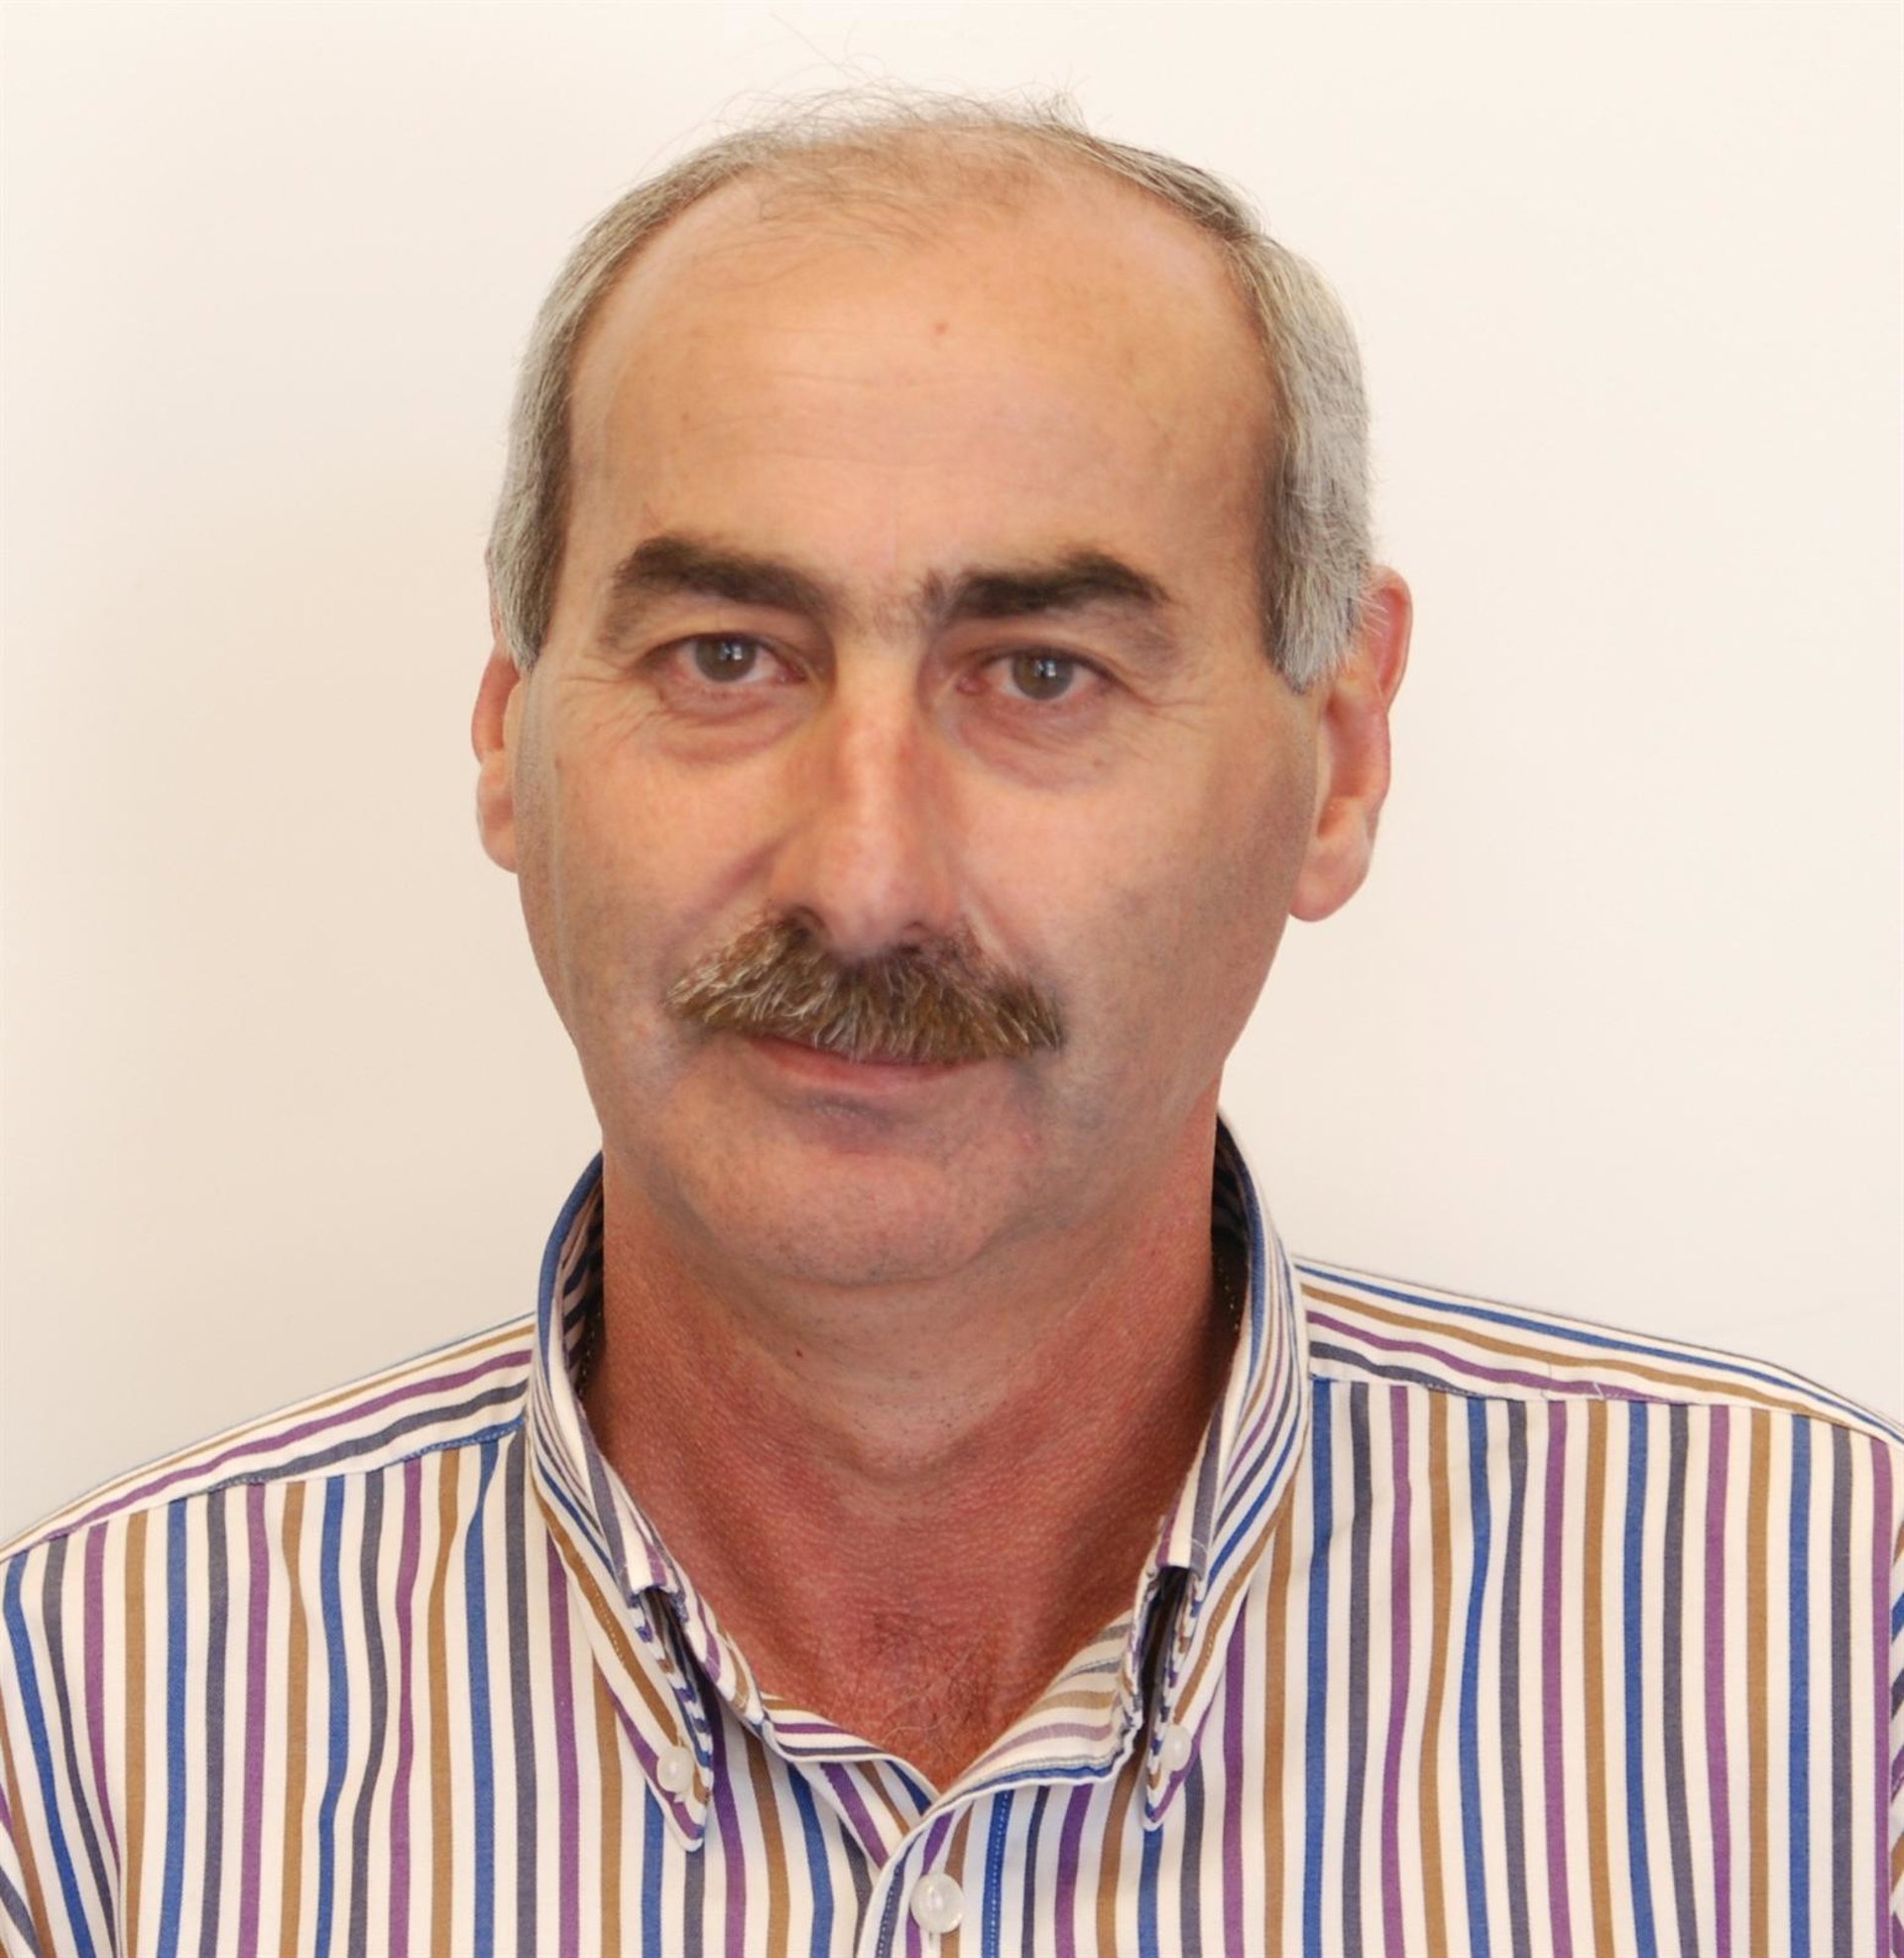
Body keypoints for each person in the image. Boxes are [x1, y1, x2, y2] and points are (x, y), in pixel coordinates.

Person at [1, 93, 1897, 1958]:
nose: (867, 877)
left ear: (1337, 757)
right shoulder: (86, 1744)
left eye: (1041, 674)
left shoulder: (1822, 1654)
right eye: (726, 658)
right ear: (511, 735)